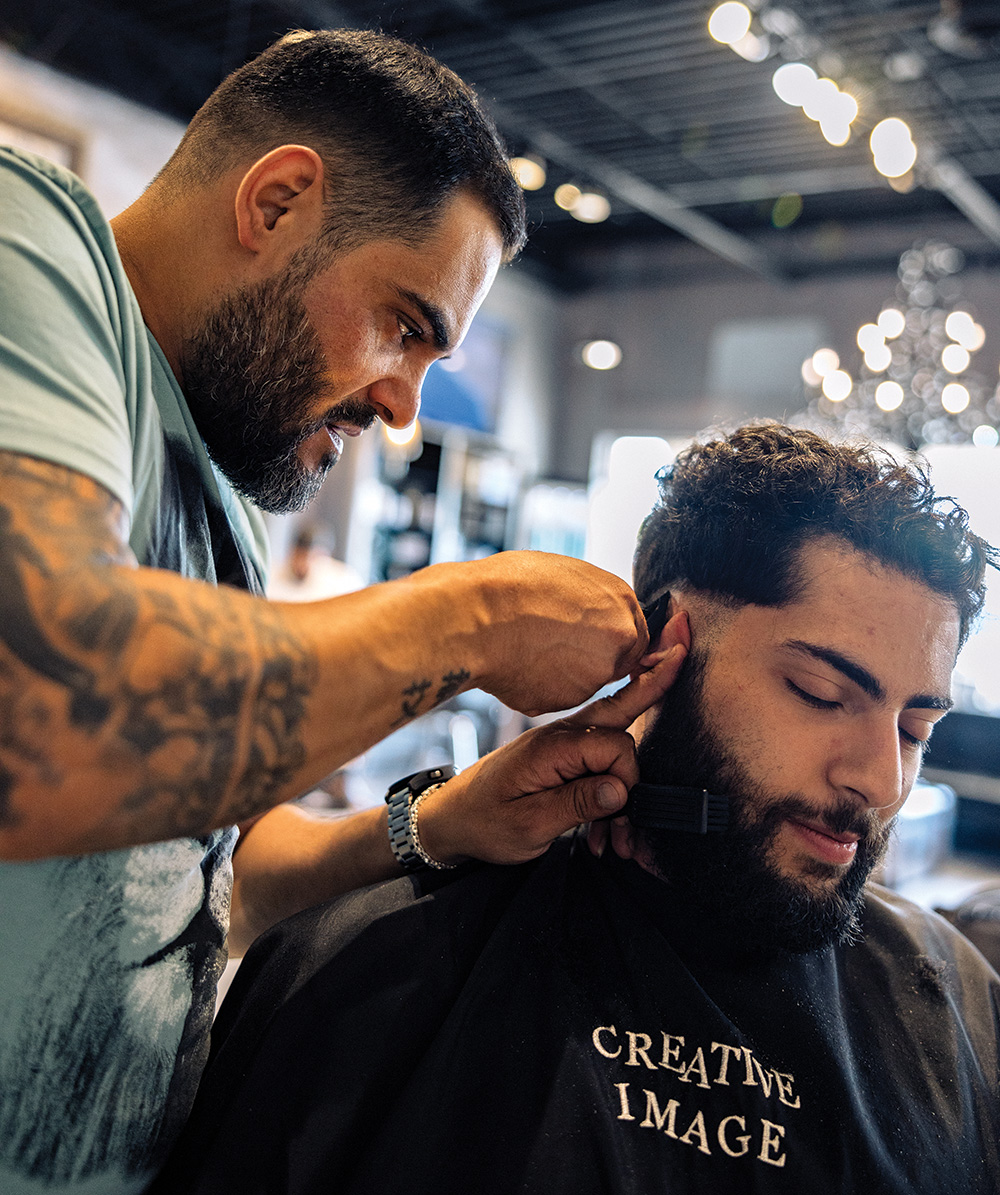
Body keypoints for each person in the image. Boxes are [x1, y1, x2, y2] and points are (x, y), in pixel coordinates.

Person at [0, 29, 663, 1195]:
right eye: (406, 324)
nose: (404, 405)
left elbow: (201, 875)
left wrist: (437, 825)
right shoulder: (26, 242)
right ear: (280, 200)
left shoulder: (219, 476)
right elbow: (41, 709)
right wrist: (475, 615)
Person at [152, 424, 1000, 1195]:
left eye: (918, 724)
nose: (883, 778)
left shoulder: (957, 1005)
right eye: (821, 694)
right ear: (667, 649)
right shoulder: (382, 965)